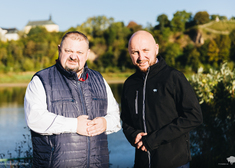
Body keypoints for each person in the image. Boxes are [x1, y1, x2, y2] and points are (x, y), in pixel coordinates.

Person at [24, 31, 121, 167]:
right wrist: (74, 125)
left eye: (80, 53)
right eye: (68, 50)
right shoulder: (41, 80)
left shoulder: (100, 80)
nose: (73, 57)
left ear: (87, 54)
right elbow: (34, 119)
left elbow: (116, 117)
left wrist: (105, 123)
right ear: (59, 50)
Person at [121, 30, 203, 168]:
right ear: (129, 53)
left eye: (145, 50)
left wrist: (154, 139)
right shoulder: (129, 84)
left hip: (174, 163)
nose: (141, 57)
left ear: (156, 49)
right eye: (135, 52)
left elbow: (194, 116)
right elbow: (126, 120)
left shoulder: (174, 77)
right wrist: (132, 134)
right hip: (141, 163)